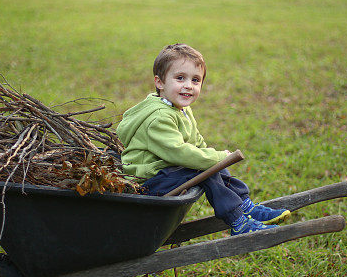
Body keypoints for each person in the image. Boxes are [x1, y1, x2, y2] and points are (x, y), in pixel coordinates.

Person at [116, 43, 290, 235]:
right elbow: (179, 153)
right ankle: (238, 221)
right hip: (146, 183)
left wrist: (215, 160)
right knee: (199, 166)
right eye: (180, 78)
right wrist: (216, 158)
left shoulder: (181, 109)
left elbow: (197, 143)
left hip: (165, 173)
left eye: (196, 80)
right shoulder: (159, 118)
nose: (188, 86)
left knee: (209, 164)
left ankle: (245, 204)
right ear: (160, 82)